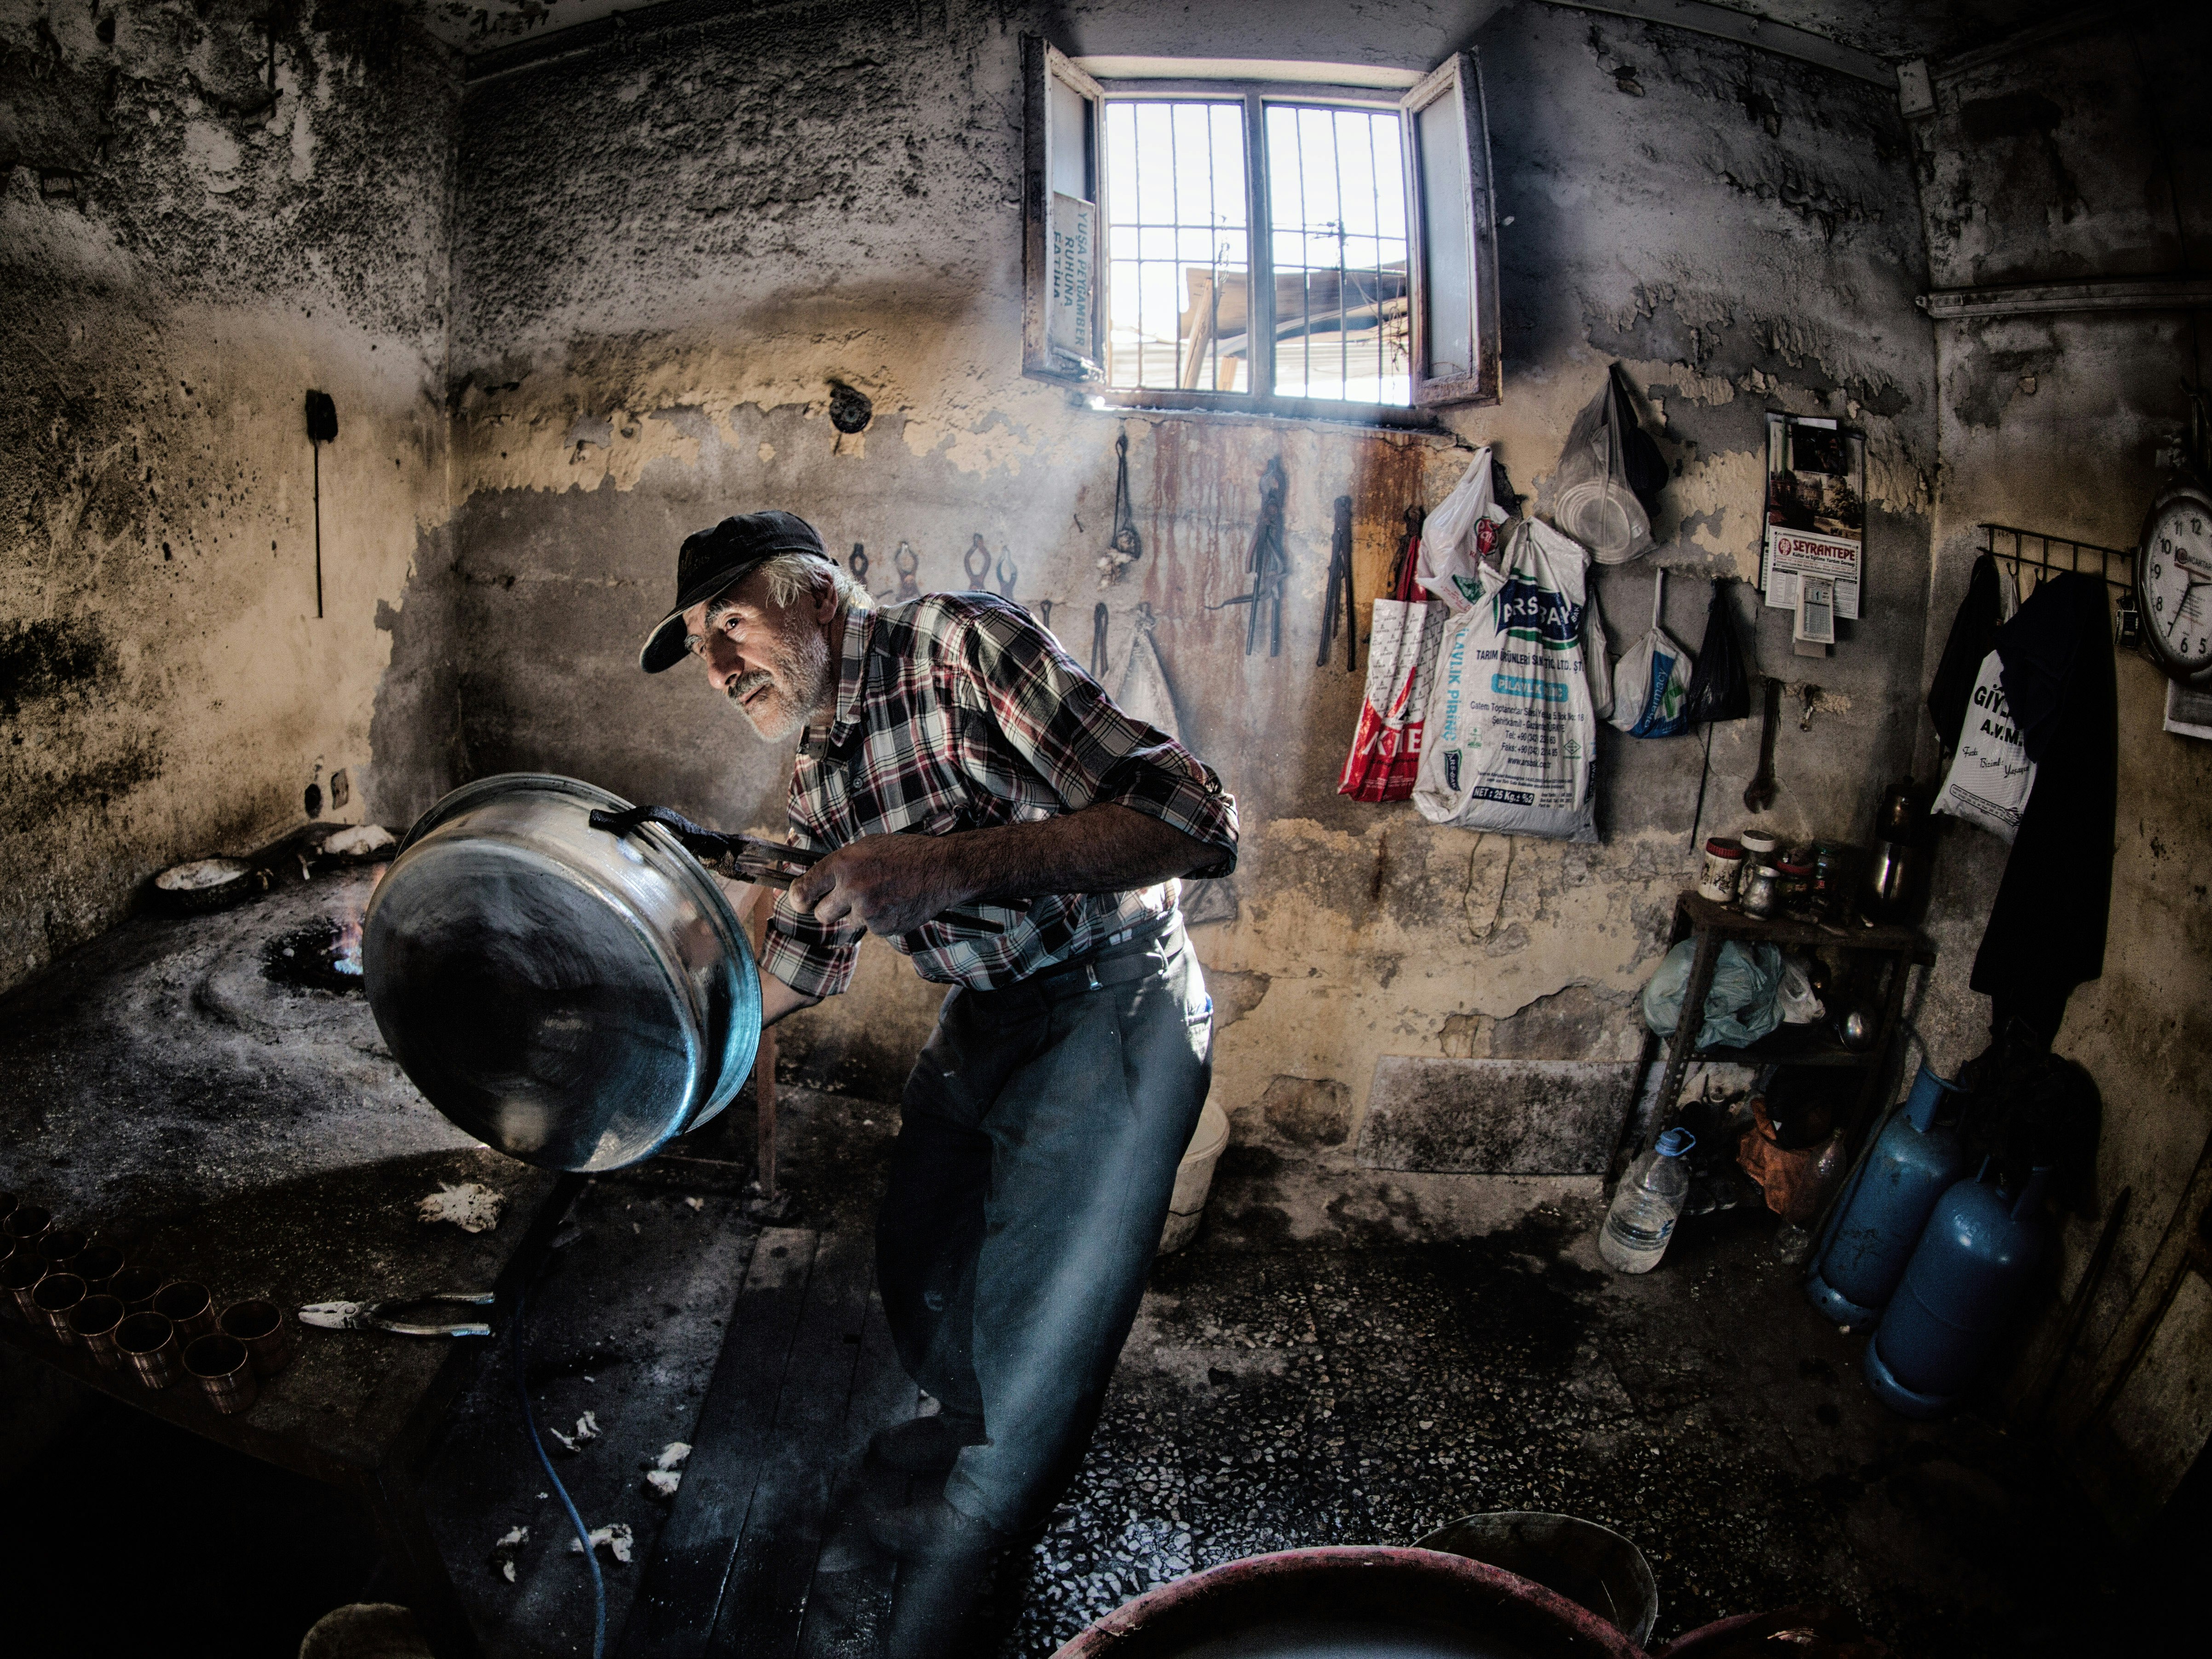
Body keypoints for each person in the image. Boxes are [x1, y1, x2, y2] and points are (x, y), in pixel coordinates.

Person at [637, 512, 1237, 1583]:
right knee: (922, 1251)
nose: (720, 668)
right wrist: (667, 1060)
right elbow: (800, 971)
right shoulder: (820, 776)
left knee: (1040, 1320)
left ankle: (981, 1540)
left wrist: (951, 868)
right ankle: (967, 1441)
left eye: (733, 622)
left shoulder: (960, 646)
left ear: (817, 596)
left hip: (1116, 995)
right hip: (990, 1013)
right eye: (700, 643)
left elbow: (1197, 821)